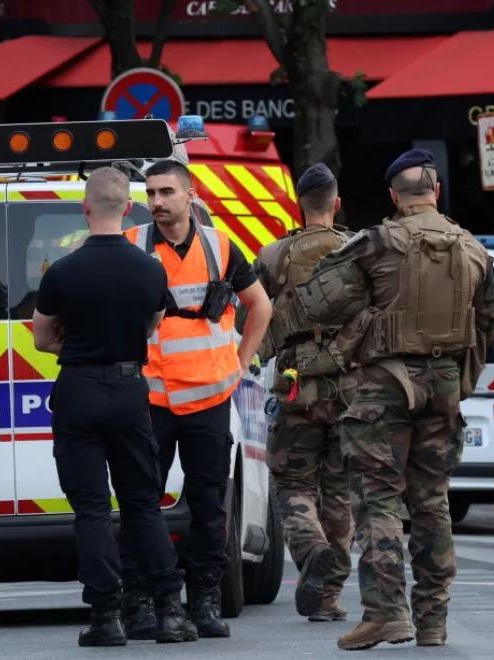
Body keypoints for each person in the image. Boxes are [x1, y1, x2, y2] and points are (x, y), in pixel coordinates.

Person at [284, 149, 494, 650]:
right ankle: (432, 620)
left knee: (377, 498)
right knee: (432, 501)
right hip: (444, 387)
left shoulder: (376, 243)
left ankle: (384, 613)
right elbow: (488, 326)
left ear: (393, 196)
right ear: (437, 192)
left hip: (384, 387)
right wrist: (458, 381)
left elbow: (317, 300)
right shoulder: (473, 249)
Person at [32, 167, 198, 647]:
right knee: (143, 504)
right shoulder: (151, 268)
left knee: (90, 510)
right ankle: (170, 611)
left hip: (79, 389)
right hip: (130, 391)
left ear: (85, 209)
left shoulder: (62, 271)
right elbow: (152, 325)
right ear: (129, 208)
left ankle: (106, 616)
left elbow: (43, 337)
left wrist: (75, 342)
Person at [119, 160, 272, 639]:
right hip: (152, 399)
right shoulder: (132, 246)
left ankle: (204, 600)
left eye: (167, 192)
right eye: (151, 193)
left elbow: (260, 306)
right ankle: (139, 601)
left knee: (210, 504)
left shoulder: (220, 246)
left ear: (190, 195)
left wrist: (241, 361)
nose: (158, 202)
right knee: (141, 503)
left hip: (209, 398)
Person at [252, 163, 354, 623]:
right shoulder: (359, 251)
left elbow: (251, 317)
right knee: (338, 489)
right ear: (336, 203)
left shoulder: (275, 254)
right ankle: (329, 597)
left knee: (293, 482)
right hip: (349, 384)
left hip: (296, 384)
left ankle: (311, 549)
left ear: (299, 204)